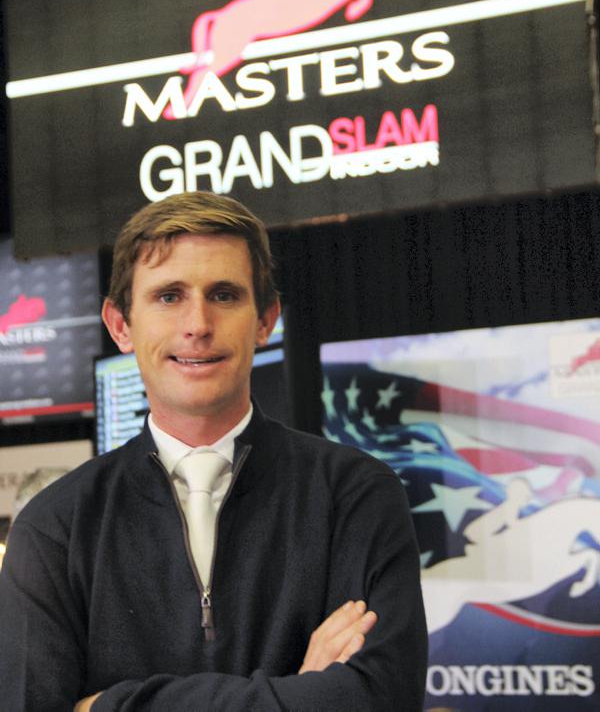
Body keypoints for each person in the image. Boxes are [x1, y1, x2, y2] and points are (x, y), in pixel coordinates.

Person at [0, 191, 427, 711]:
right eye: (168, 296)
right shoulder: (55, 529)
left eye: (224, 295)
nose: (198, 324)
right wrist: (302, 694)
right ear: (120, 325)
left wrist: (108, 706)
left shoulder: (355, 495)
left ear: (265, 320)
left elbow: (381, 699)